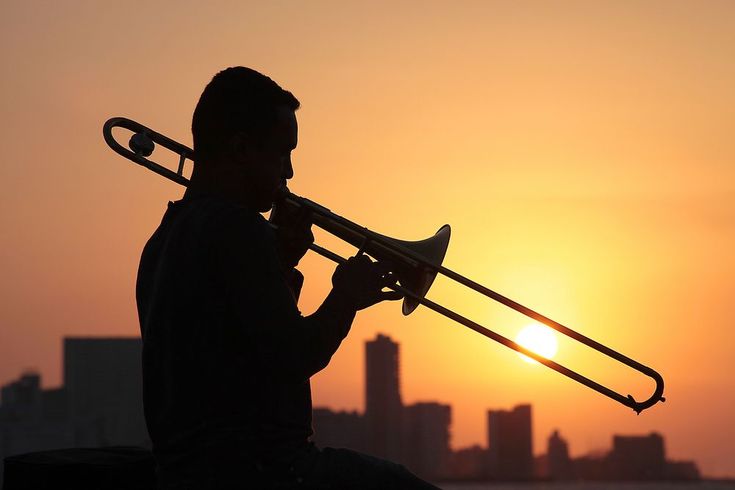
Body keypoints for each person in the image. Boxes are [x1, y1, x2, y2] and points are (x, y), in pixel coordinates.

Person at [136, 67, 440, 489]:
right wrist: (345, 297)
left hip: (190, 471)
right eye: (283, 153)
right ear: (241, 149)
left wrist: (281, 260)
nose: (290, 172)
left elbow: (238, 350)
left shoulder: (166, 236)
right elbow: (293, 358)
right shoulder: (237, 228)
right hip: (265, 469)